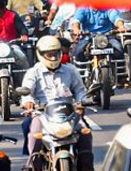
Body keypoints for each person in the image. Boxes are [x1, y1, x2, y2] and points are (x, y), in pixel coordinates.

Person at [20, 36, 93, 171]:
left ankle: (86, 164)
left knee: (85, 132)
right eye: (49, 54)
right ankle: (33, 163)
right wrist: (29, 102)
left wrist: (83, 101)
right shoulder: (33, 72)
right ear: (40, 54)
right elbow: (27, 91)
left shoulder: (70, 70)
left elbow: (80, 90)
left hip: (69, 113)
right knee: (35, 133)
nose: (53, 58)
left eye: (56, 54)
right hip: (42, 114)